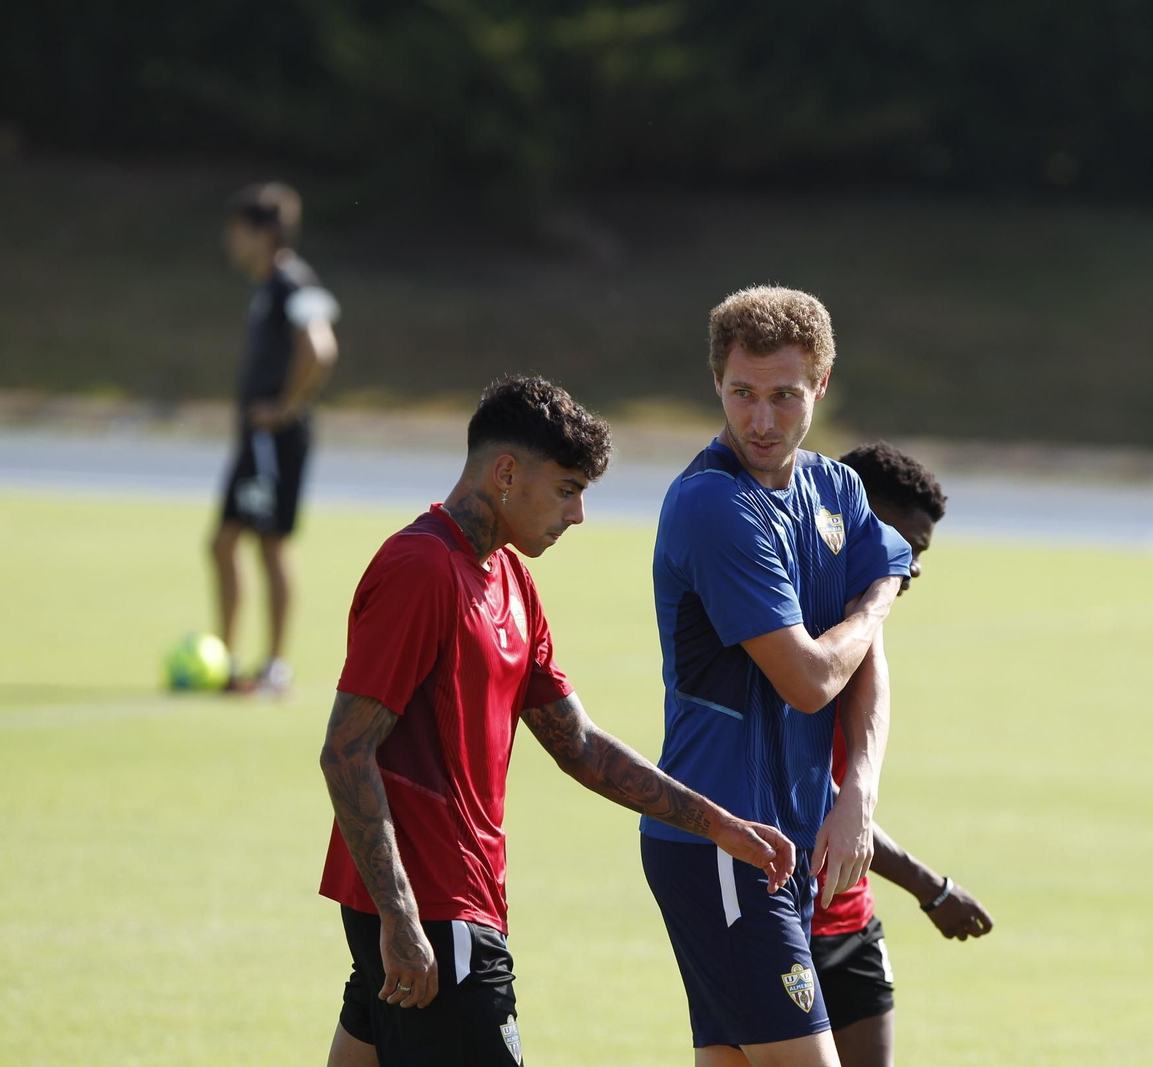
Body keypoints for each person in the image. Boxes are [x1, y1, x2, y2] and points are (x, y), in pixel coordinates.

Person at [318, 375, 796, 1067]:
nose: (578, 515)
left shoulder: (511, 581)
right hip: (434, 915)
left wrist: (718, 824)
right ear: (506, 473)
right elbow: (345, 749)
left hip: (445, 909)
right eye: (567, 489)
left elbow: (580, 746)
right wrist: (400, 916)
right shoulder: (421, 568)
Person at [642, 286, 914, 1067]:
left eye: (785, 395)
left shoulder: (837, 489)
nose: (761, 420)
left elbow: (865, 663)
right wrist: (877, 600)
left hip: (785, 847)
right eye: (742, 393)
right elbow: (811, 679)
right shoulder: (713, 505)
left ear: (821, 385)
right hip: (723, 842)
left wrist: (858, 792)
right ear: (716, 384)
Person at [811, 442, 994, 1067]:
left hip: (849, 920)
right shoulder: (796, 630)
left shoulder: (867, 622)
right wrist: (931, 889)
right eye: (905, 545)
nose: (912, 568)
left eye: (921, 554)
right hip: (779, 921)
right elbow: (809, 793)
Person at [213, 181, 341, 692]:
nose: (231, 242)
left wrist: (286, 407)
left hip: (275, 440)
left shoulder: (293, 282)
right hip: (257, 440)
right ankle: (224, 662)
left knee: (267, 545)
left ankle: (272, 668)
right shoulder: (267, 286)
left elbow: (320, 348)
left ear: (263, 232)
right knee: (224, 543)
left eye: (237, 231)